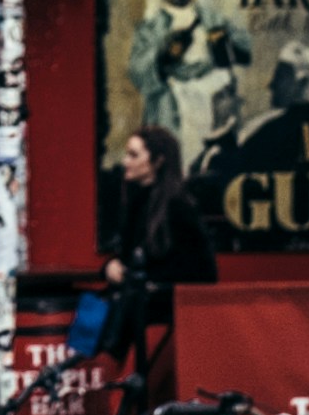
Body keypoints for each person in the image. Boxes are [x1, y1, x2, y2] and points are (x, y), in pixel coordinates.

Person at [87, 123, 221, 372]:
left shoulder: (178, 208)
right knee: (93, 308)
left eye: (134, 155)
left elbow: (203, 271)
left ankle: (99, 369)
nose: (125, 161)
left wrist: (146, 279)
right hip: (136, 297)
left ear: (157, 161)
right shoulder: (135, 201)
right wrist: (110, 267)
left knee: (109, 313)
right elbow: (128, 256)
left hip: (159, 304)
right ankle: (84, 372)